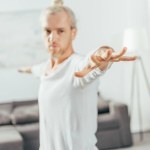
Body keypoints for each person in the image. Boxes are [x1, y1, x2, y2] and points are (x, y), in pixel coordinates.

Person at [18, 0, 136, 150]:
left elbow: (88, 65)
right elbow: (34, 69)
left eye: (60, 31)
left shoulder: (76, 67)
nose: (52, 38)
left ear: (73, 33)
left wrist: (99, 58)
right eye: (47, 31)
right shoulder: (45, 68)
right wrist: (23, 69)